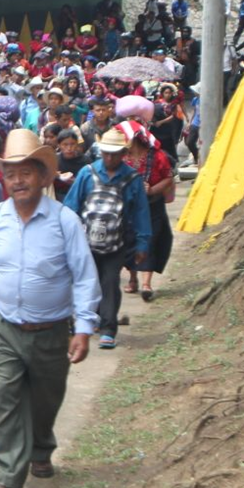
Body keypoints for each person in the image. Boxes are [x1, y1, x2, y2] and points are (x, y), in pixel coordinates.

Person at [0, 129, 100, 488]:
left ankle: (41, 447)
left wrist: (84, 327)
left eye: (26, 172)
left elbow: (85, 276)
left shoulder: (65, 221)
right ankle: (9, 474)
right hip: (3, 325)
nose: (18, 180)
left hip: (52, 330)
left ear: (43, 177)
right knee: (5, 395)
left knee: (45, 399)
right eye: (11, 173)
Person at [63, 129, 151, 350]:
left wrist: (142, 243)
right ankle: (84, 321)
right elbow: (72, 206)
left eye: (115, 154)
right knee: (84, 282)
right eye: (106, 153)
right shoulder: (87, 173)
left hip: (117, 242)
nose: (110, 158)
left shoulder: (132, 179)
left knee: (110, 281)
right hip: (85, 241)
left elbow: (141, 213)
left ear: (124, 153)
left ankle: (108, 328)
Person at [120, 121, 174, 303]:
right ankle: (133, 278)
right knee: (128, 241)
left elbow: (168, 178)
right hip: (127, 207)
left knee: (150, 240)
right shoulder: (119, 157)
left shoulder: (157, 156)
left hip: (152, 206)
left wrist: (151, 190)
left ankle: (146, 284)